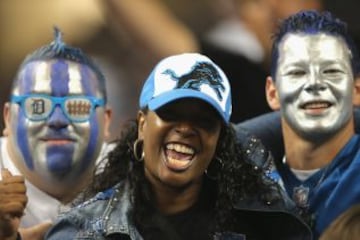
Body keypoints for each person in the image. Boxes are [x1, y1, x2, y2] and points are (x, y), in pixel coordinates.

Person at [44, 53, 311, 240]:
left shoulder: (261, 218)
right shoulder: (84, 231)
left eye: (203, 120)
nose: (185, 128)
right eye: (171, 113)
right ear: (142, 123)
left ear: (220, 139)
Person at [250, 9, 360, 238]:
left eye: (331, 71)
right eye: (297, 72)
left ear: (357, 90)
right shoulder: (241, 181)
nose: (315, 84)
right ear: (273, 93)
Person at [0, 27, 112, 239]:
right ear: (8, 117)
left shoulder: (132, 174)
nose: (57, 120)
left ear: (106, 120)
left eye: (77, 106)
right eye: (38, 105)